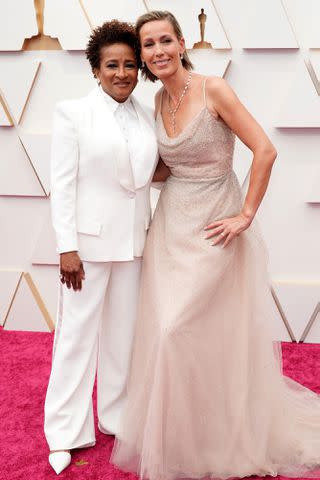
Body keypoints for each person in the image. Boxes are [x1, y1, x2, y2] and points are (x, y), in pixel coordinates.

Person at [111, 10, 320, 480]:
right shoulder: (156, 101)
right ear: (142, 55)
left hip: (214, 221)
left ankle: (225, 431)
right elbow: (165, 169)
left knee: (180, 327)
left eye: (166, 40)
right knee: (171, 331)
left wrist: (245, 214)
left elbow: (264, 150)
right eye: (148, 45)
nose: (158, 51)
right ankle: (189, 434)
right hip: (170, 226)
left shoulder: (214, 89)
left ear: (182, 43)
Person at [44, 20, 158, 475]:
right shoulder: (72, 113)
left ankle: (115, 417)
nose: (122, 73)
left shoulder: (145, 114)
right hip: (86, 249)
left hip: (133, 243)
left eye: (130, 65)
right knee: (75, 339)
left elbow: (146, 175)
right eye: (112, 64)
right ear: (95, 68)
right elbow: (63, 183)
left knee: (122, 338)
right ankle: (64, 431)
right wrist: (66, 247)